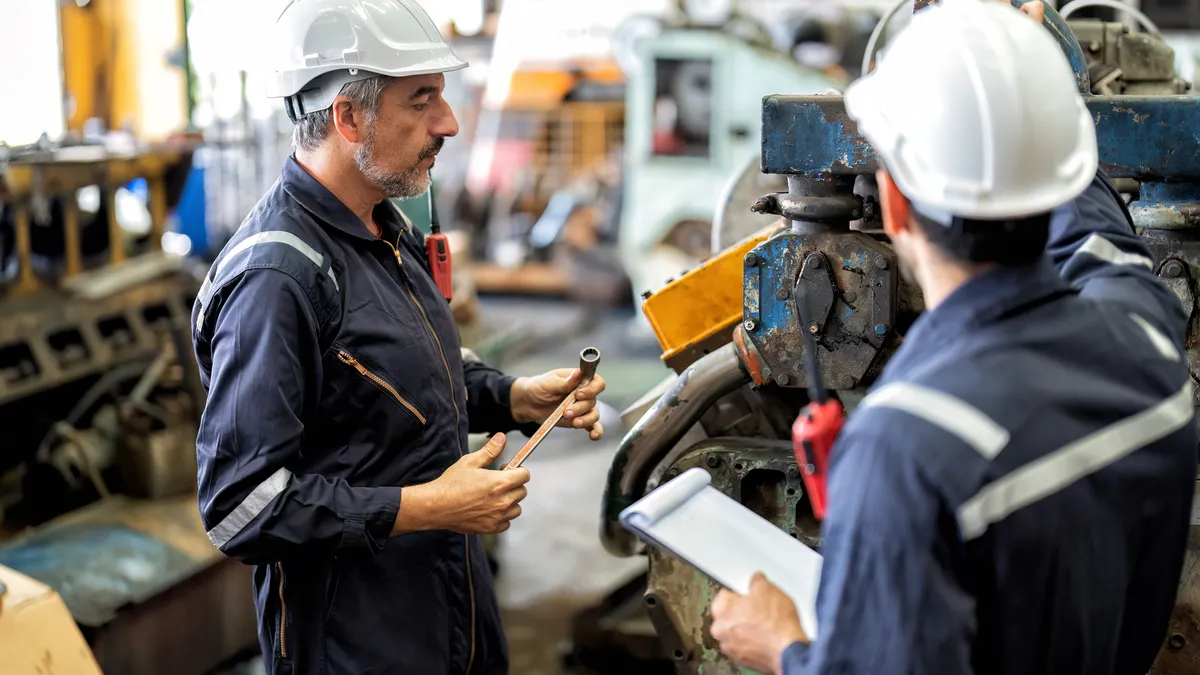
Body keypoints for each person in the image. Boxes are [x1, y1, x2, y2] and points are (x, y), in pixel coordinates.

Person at [707, 1, 1198, 674]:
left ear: (897, 204)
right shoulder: (1150, 336)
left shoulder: (907, 446)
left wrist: (784, 647)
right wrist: (1020, 103)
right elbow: (1103, 241)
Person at [189, 1, 607, 673]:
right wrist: (422, 507)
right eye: (421, 101)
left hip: (450, 612)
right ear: (348, 117)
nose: (449, 123)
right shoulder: (277, 278)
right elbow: (240, 506)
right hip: (357, 645)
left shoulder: (384, 229)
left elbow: (406, 374)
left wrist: (514, 395)